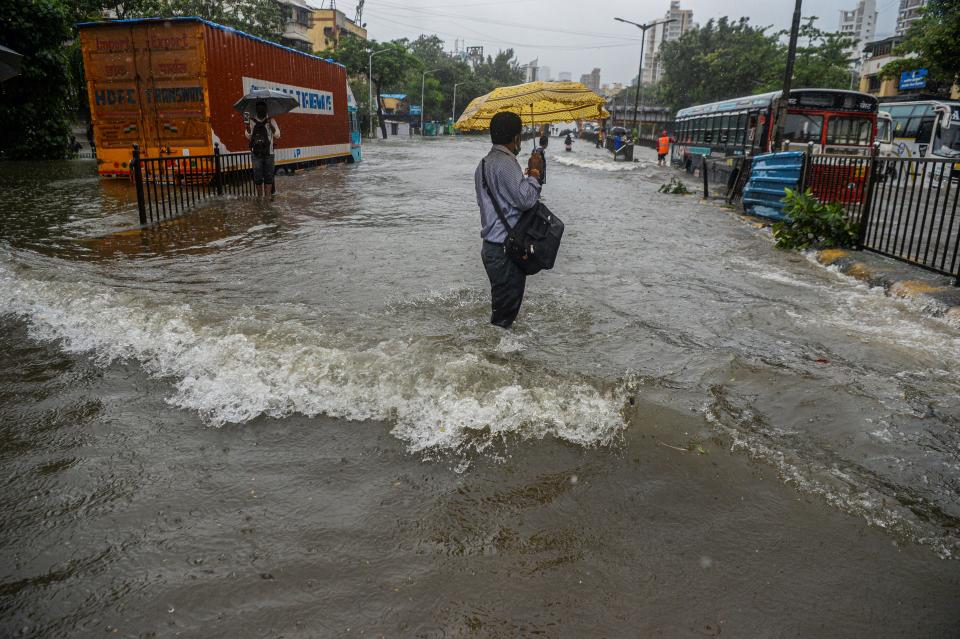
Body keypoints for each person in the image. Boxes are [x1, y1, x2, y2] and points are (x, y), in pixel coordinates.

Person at [474, 111, 544, 329]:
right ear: (516, 138)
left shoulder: (484, 164)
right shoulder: (505, 163)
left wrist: (524, 179)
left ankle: (497, 354)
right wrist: (534, 173)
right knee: (504, 319)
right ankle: (494, 358)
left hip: (492, 248)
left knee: (502, 309)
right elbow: (525, 200)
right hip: (506, 251)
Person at [244, 101, 280, 198]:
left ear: (266, 110)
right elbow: (248, 136)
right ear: (256, 110)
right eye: (259, 109)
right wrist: (248, 127)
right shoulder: (251, 121)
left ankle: (267, 197)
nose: (261, 111)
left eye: (263, 109)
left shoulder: (271, 120)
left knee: (269, 176)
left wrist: (270, 125)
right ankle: (260, 197)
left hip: (269, 153)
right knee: (258, 176)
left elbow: (277, 135)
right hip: (256, 153)